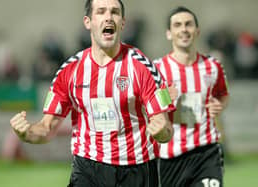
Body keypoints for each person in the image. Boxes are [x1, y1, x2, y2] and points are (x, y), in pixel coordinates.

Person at [10, 0, 175, 187]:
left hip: (136, 169)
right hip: (87, 168)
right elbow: (47, 128)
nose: (108, 17)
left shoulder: (143, 68)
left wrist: (161, 131)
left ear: (122, 23)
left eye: (114, 12)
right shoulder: (69, 71)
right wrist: (27, 132)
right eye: (101, 12)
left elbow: (165, 128)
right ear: (88, 22)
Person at [153, 6, 229, 187]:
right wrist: (165, 99)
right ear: (169, 33)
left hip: (206, 152)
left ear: (197, 31)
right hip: (170, 157)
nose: (184, 29)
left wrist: (219, 104)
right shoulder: (157, 70)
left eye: (188, 24)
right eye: (177, 25)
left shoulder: (212, 66)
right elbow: (149, 110)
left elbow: (223, 95)